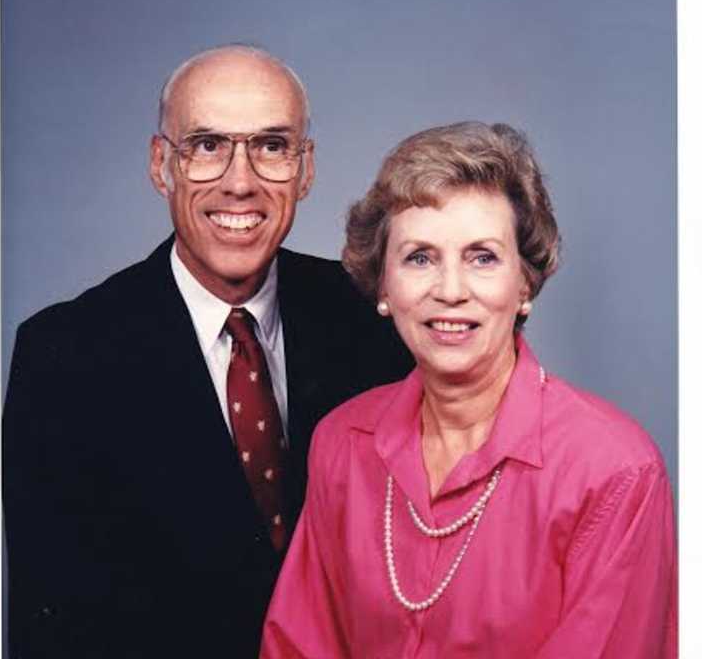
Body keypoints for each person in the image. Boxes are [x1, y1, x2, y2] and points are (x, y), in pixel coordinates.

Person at [2, 45, 412, 658]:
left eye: (272, 146)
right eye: (207, 146)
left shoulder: (375, 319)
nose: (240, 182)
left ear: (306, 169)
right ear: (160, 164)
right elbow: (52, 631)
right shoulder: (64, 357)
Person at [261, 121, 677, 658]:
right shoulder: (343, 441)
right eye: (420, 257)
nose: (451, 290)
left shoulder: (614, 471)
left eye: (482, 256)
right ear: (382, 286)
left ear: (524, 282)